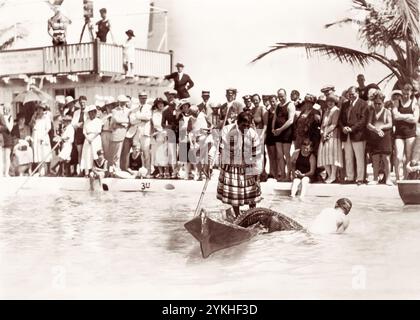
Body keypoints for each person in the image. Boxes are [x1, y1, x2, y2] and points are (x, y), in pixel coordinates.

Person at [217, 112, 263, 217]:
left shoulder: (253, 134)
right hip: (232, 166)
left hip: (248, 166)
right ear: (238, 122)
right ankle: (237, 216)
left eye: (248, 125)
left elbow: (257, 156)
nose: (245, 128)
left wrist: (257, 174)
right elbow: (221, 148)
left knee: (252, 192)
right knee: (235, 194)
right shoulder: (227, 130)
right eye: (243, 125)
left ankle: (252, 214)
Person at [339, 86, 370, 185]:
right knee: (348, 157)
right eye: (349, 94)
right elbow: (340, 119)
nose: (350, 96)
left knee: (359, 157)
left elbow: (363, 120)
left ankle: (360, 178)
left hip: (358, 135)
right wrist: (343, 127)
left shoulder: (363, 104)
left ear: (357, 93)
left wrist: (352, 129)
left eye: (352, 93)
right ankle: (350, 177)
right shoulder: (345, 105)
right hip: (346, 134)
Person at [392, 83, 419, 180]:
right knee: (399, 156)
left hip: (410, 134)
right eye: (404, 93)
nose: (405, 95)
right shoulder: (397, 102)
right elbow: (395, 116)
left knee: (408, 157)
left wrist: (401, 116)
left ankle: (406, 178)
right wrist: (408, 116)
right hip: (399, 134)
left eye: (407, 93)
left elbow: (415, 119)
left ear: (411, 93)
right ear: (402, 91)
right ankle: (398, 177)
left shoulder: (414, 103)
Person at [367, 91, 393, 185]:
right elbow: (368, 124)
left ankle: (388, 179)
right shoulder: (372, 111)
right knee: (375, 158)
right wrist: (375, 129)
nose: (377, 105)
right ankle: (375, 179)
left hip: (385, 136)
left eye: (379, 103)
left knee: (386, 158)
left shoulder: (387, 111)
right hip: (375, 136)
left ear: (383, 102)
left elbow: (390, 124)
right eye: (375, 103)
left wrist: (381, 127)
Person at [317, 95, 343, 183]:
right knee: (324, 156)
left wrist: (325, 133)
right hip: (324, 135)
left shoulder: (336, 110)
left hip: (333, 135)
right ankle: (329, 174)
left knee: (333, 155)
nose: (330, 103)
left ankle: (333, 175)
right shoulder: (326, 111)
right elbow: (322, 124)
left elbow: (334, 124)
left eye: (332, 101)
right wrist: (321, 132)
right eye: (328, 101)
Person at [272, 88, 295, 181]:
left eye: (282, 96)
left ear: (285, 95)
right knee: (280, 155)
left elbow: (291, 120)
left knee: (286, 154)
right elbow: (274, 118)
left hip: (286, 133)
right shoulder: (278, 106)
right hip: (277, 132)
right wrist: (273, 129)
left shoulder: (290, 105)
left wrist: (280, 130)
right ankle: (283, 175)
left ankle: (288, 175)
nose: (280, 98)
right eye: (279, 96)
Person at [162, 91, 180, 179]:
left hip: (180, 133)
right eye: (169, 98)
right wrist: (168, 126)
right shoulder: (165, 111)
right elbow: (162, 124)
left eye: (172, 98)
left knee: (180, 153)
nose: (171, 100)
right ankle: (172, 171)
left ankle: (179, 171)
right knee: (172, 153)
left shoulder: (180, 109)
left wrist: (177, 111)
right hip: (171, 133)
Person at [30, 104, 52, 176]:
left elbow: (48, 128)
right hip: (35, 135)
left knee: (43, 152)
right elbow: (31, 125)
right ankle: (38, 169)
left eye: (41, 109)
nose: (39, 110)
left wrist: (43, 136)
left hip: (43, 135)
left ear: (43, 109)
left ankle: (43, 170)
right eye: (38, 109)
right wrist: (33, 119)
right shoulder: (35, 117)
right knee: (37, 152)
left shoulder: (46, 117)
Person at [80, 105, 103, 176]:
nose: (91, 114)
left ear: (95, 112)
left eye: (93, 112)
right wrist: (88, 138)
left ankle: (95, 170)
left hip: (95, 139)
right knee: (87, 154)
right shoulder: (86, 121)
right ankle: (87, 171)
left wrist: (92, 139)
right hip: (87, 139)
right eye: (90, 112)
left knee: (95, 153)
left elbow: (98, 131)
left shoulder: (99, 121)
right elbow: (84, 131)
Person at [110, 95, 130, 170]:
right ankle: (116, 168)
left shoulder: (128, 110)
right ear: (118, 102)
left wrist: (122, 122)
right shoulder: (114, 110)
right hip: (117, 133)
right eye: (121, 102)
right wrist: (125, 121)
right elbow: (116, 119)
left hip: (127, 133)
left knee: (125, 153)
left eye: (124, 102)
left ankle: (124, 168)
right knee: (117, 154)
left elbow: (130, 120)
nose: (123, 104)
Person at [151, 98, 169, 178]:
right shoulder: (155, 114)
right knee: (159, 153)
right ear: (156, 105)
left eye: (162, 103)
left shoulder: (167, 112)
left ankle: (167, 171)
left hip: (167, 133)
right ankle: (161, 172)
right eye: (159, 104)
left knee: (167, 153)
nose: (160, 105)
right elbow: (156, 124)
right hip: (159, 134)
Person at [71, 96, 88, 175]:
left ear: (86, 102)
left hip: (87, 134)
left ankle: (87, 171)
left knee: (87, 152)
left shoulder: (89, 110)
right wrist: (78, 125)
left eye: (83, 102)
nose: (82, 104)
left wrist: (84, 124)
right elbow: (73, 124)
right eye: (81, 103)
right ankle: (81, 171)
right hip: (79, 134)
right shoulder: (76, 112)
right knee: (80, 153)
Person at [265, 95, 278, 179]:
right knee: (271, 155)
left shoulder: (279, 110)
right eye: (271, 102)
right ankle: (272, 172)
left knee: (278, 155)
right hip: (270, 136)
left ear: (277, 101)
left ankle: (278, 172)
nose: (272, 103)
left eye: (274, 101)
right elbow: (266, 124)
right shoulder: (267, 112)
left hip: (278, 135)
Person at [0, 103, 14, 177]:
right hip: (1, 138)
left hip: (8, 138)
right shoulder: (1, 117)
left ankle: (6, 173)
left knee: (7, 156)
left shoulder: (10, 117)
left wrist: (5, 120)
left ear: (9, 110)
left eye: (6, 109)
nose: (5, 110)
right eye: (4, 109)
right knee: (1, 157)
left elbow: (10, 129)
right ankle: (1, 172)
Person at [100, 99, 115, 163]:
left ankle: (112, 166)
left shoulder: (115, 114)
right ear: (106, 107)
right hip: (105, 132)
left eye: (111, 106)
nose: (110, 108)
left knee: (113, 150)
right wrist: (108, 116)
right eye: (108, 106)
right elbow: (100, 122)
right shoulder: (103, 114)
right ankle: (106, 166)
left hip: (112, 133)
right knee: (105, 150)